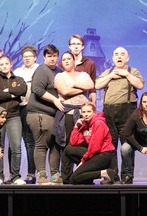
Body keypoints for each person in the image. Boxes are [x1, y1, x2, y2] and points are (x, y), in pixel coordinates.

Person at [95, 46, 144, 181]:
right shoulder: (107, 71)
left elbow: (140, 85)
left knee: (127, 145)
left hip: (127, 111)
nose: (119, 56)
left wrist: (126, 74)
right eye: (116, 54)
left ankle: (127, 175)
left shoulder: (132, 71)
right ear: (113, 58)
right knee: (109, 145)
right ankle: (111, 175)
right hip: (109, 111)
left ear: (127, 58)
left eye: (122, 54)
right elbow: (97, 85)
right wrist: (111, 76)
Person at [53, 51, 94, 184]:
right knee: (68, 145)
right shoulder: (59, 76)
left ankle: (84, 175)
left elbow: (90, 85)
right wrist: (81, 88)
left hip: (84, 114)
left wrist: (73, 86)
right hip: (69, 114)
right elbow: (64, 91)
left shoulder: (83, 74)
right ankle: (67, 177)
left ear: (74, 61)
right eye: (63, 59)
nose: (66, 61)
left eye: (68, 59)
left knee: (85, 145)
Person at [26, 44, 64, 185]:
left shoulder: (59, 71)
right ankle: (41, 175)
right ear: (44, 57)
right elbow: (37, 89)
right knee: (42, 144)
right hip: (39, 113)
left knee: (55, 145)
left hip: (55, 115)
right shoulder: (42, 70)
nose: (52, 59)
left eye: (54, 56)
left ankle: (55, 175)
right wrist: (54, 99)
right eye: (49, 56)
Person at [0, 55, 27, 185]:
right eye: (2, 64)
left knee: (16, 146)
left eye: (6, 63)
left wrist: (8, 90)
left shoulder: (18, 79)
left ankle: (15, 176)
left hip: (14, 115)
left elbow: (23, 89)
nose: (4, 66)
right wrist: (13, 94)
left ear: (11, 64)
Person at [69, 102, 116, 184]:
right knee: (68, 150)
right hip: (95, 154)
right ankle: (88, 177)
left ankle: (105, 173)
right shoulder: (86, 124)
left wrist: (83, 161)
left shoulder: (98, 123)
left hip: (104, 155)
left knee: (74, 178)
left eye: (88, 112)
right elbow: (74, 142)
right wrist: (76, 127)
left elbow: (95, 147)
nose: (86, 114)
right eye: (83, 112)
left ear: (94, 112)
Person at [13, 45, 39, 184]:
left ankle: (33, 172)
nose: (27, 58)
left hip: (35, 107)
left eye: (30, 56)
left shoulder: (40, 69)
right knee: (23, 141)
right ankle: (18, 175)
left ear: (35, 57)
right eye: (25, 56)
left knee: (33, 142)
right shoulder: (17, 71)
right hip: (20, 107)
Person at [59, 34, 97, 105]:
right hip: (66, 102)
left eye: (78, 44)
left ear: (83, 46)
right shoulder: (62, 64)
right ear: (69, 46)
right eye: (73, 44)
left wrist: (93, 103)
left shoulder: (90, 63)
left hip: (83, 103)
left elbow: (93, 87)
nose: (76, 46)